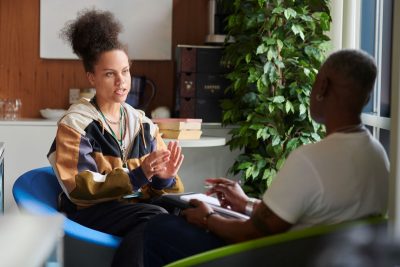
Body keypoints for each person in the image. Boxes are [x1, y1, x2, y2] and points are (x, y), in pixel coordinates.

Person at [140, 49, 390, 266]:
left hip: (276, 260)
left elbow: (252, 234)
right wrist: (246, 204)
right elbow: (306, 216)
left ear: (323, 86)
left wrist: (207, 217)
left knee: (159, 228)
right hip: (321, 257)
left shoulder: (311, 160)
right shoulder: (377, 155)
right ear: (366, 97)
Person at [47, 9, 184, 267]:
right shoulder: (75, 123)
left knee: (184, 212)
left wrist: (163, 177)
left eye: (126, 71)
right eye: (110, 73)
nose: (121, 81)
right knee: (154, 217)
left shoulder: (142, 124)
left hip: (131, 209)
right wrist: (137, 175)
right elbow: (78, 188)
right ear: (92, 77)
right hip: (89, 212)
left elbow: (156, 188)